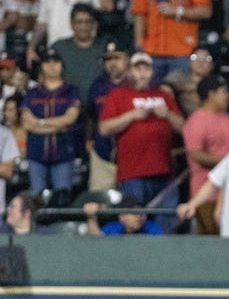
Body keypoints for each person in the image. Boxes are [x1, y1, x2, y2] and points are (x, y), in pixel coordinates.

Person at [98, 51, 185, 212]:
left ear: (152, 72)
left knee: (167, 219)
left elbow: (184, 128)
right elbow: (104, 128)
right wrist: (131, 116)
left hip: (164, 171)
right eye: (138, 69)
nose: (142, 74)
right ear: (130, 72)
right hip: (132, 173)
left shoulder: (163, 95)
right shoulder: (117, 95)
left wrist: (168, 115)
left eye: (146, 69)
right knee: (134, 219)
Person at [22, 46, 81, 205]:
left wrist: (40, 122)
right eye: (47, 62)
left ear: (62, 65)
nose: (52, 65)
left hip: (63, 152)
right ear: (41, 66)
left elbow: (69, 119)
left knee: (62, 198)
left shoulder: (71, 91)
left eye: (56, 62)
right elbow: (27, 124)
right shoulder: (32, 93)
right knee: (36, 199)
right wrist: (57, 124)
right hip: (36, 153)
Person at [182, 74, 229, 235]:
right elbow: (195, 154)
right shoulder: (197, 120)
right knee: (211, 240)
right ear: (211, 95)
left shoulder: (227, 118)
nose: (227, 96)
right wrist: (227, 163)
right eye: (223, 92)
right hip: (205, 193)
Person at [130, 0, 213, 82]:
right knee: (151, 92)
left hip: (182, 51)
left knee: (179, 92)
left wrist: (178, 11)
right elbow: (140, 13)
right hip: (151, 50)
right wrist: (138, 44)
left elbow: (206, 11)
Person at [85, 40, 127, 191]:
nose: (112, 63)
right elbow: (91, 114)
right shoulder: (98, 85)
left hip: (130, 155)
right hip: (102, 152)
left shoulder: (134, 84)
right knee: (99, 200)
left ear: (127, 59)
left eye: (117, 58)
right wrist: (89, 138)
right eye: (108, 59)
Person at [46, 2, 109, 102]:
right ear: (71, 23)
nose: (83, 26)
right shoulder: (59, 47)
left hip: (98, 107)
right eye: (79, 22)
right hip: (65, 106)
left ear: (93, 24)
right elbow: (46, 78)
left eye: (87, 22)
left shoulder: (104, 46)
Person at [83, 195, 166, 234]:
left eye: (140, 213)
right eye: (134, 213)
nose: (138, 216)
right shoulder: (113, 228)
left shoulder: (151, 228)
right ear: (122, 217)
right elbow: (96, 245)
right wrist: (91, 218)